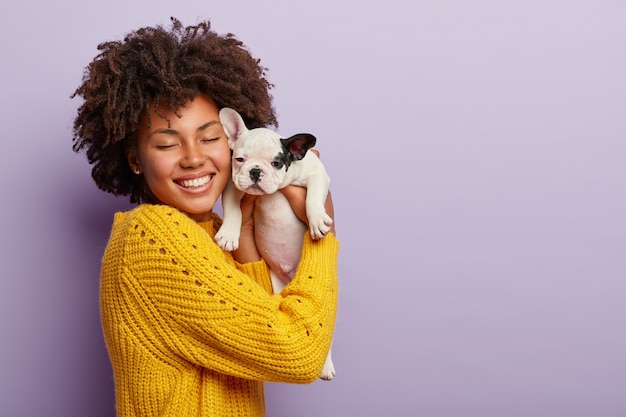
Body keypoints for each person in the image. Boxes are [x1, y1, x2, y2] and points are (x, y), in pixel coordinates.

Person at [71, 17, 339, 417]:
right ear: (135, 161)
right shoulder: (153, 236)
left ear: (234, 141)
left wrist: (248, 230)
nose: (194, 157)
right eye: (166, 143)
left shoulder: (213, 232)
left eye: (211, 138)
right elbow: (297, 350)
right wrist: (323, 236)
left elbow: (264, 319)